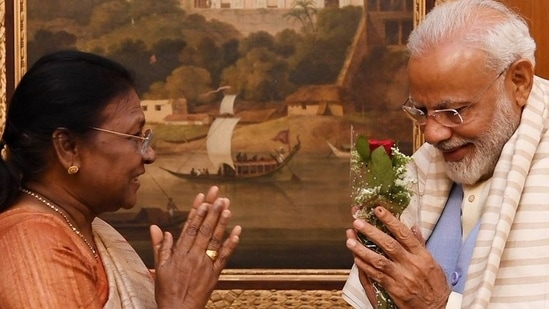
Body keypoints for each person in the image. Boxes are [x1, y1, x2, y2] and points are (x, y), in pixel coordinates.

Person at [343, 0, 549, 307]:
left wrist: (439, 303)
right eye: (422, 111)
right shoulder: (423, 168)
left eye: (454, 111)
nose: (432, 135)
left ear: (519, 81)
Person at [0, 50, 242, 308]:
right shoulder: (33, 246)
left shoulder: (88, 231)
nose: (149, 154)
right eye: (135, 136)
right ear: (68, 147)